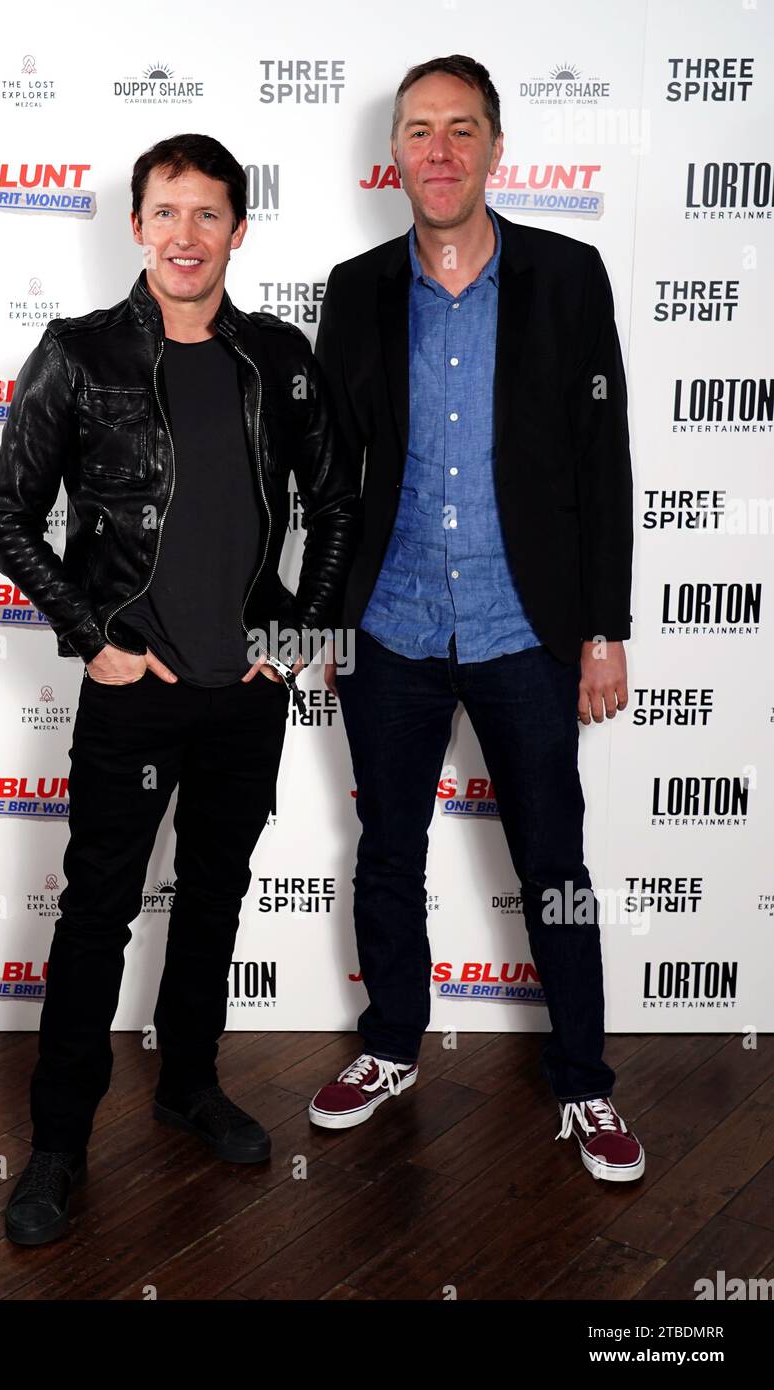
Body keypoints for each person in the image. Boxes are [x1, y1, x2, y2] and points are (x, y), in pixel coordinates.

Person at [0, 133, 359, 1244]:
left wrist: (294, 629)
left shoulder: (280, 357)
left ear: (239, 230)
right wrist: (91, 635)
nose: (186, 236)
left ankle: (189, 1083)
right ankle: (56, 1142)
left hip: (244, 689)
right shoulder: (80, 354)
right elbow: (8, 512)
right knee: (97, 912)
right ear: (136, 224)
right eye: (166, 213)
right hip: (132, 685)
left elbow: (335, 502)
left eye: (209, 216)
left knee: (214, 896)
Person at [310, 55, 643, 1183]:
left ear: (497, 148)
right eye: (419, 131)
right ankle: (392, 1044)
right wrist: (318, 620)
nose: (439, 151)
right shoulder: (354, 289)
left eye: (461, 130)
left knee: (555, 859)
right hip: (391, 626)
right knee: (387, 851)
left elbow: (606, 462)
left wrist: (605, 628)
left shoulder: (567, 276)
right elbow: (329, 480)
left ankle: (585, 1080)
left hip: (525, 628)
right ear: (394, 154)